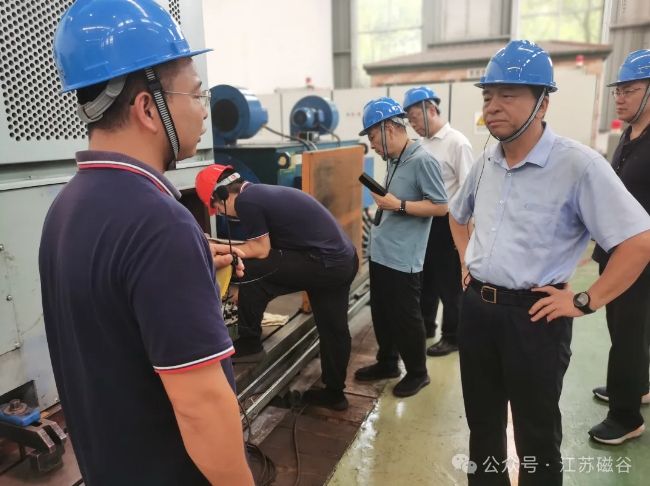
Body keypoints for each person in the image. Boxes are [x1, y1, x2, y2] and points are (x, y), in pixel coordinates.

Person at [40, 1, 253, 485]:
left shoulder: (65, 208)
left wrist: (192, 265)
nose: (204, 109)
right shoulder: (160, 224)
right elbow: (201, 408)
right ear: (148, 109)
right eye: (195, 94)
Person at [449, 40, 650, 486]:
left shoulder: (578, 166)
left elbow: (639, 241)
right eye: (488, 95)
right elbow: (456, 216)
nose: (492, 106)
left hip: (535, 318)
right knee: (483, 426)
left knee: (536, 435)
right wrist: (467, 260)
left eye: (508, 94)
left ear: (542, 103)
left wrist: (584, 300)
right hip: (477, 312)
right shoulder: (486, 162)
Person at [195, 164, 360, 411]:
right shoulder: (259, 193)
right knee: (333, 329)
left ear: (221, 194)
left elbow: (260, 251)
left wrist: (215, 249)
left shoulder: (246, 201)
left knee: (250, 270)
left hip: (322, 263)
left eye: (217, 208)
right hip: (342, 262)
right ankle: (335, 393)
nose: (221, 213)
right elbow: (266, 247)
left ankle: (250, 343)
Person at [353, 98, 449, 397]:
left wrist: (400, 205)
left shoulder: (422, 160)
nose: (372, 145)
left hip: (403, 258)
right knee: (382, 314)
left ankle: (418, 373)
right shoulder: (395, 160)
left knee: (406, 319)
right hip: (382, 254)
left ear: (389, 130)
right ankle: (387, 362)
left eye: (373, 137)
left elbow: (441, 207)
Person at [589, 49, 650, 444]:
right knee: (625, 329)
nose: (620, 98)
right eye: (618, 91)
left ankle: (626, 417)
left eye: (629, 90)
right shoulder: (628, 136)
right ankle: (636, 387)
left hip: (639, 258)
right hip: (614, 250)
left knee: (629, 333)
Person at [403, 86, 474, 356]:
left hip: (449, 224)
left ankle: (452, 337)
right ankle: (427, 327)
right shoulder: (422, 145)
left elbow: (469, 189)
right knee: (427, 281)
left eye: (415, 118)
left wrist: (464, 234)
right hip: (426, 222)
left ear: (431, 109)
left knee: (450, 286)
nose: (413, 125)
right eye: (409, 121)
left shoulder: (457, 143)